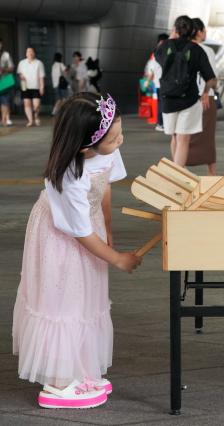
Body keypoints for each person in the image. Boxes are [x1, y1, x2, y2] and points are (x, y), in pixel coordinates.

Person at [12, 92, 142, 409]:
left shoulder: (107, 146)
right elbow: (79, 232)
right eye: (114, 139)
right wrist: (117, 258)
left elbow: (107, 186)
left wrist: (109, 230)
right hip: (60, 236)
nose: (120, 140)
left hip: (87, 224)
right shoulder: (69, 175)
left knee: (86, 296)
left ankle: (78, 368)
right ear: (85, 145)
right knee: (62, 300)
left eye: (121, 131)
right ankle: (57, 384)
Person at [155, 15, 216, 167]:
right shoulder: (197, 50)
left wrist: (172, 36)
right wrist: (206, 92)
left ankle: (175, 172)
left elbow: (158, 58)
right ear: (193, 31)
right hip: (189, 100)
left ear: (175, 29)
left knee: (174, 137)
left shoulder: (164, 46)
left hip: (168, 99)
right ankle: (177, 175)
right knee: (183, 140)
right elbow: (210, 78)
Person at [188, 18, 218, 175]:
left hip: (187, 98)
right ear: (199, 32)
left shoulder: (183, 48)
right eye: (204, 30)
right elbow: (212, 77)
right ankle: (212, 173)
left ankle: (180, 169)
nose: (206, 33)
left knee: (183, 136)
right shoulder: (207, 51)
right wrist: (206, 92)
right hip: (206, 97)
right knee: (208, 137)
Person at [143, 33, 169, 132]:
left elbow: (151, 71)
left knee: (161, 104)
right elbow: (152, 71)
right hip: (162, 84)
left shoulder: (155, 54)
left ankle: (160, 123)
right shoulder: (163, 54)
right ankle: (161, 123)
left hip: (158, 84)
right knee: (163, 104)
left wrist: (147, 82)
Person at [16, 47, 45, 127]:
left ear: (34, 53)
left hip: (36, 86)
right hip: (25, 86)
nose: (30, 53)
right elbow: (19, 74)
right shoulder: (22, 63)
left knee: (37, 105)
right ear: (26, 53)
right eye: (28, 51)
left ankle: (36, 117)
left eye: (31, 51)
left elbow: (41, 76)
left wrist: (42, 87)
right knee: (27, 104)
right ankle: (30, 120)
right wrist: (21, 76)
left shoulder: (39, 63)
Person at [0, 38, 15, 127]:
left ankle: (4, 119)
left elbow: (11, 67)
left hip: (4, 82)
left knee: (4, 101)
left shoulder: (6, 55)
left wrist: (3, 69)